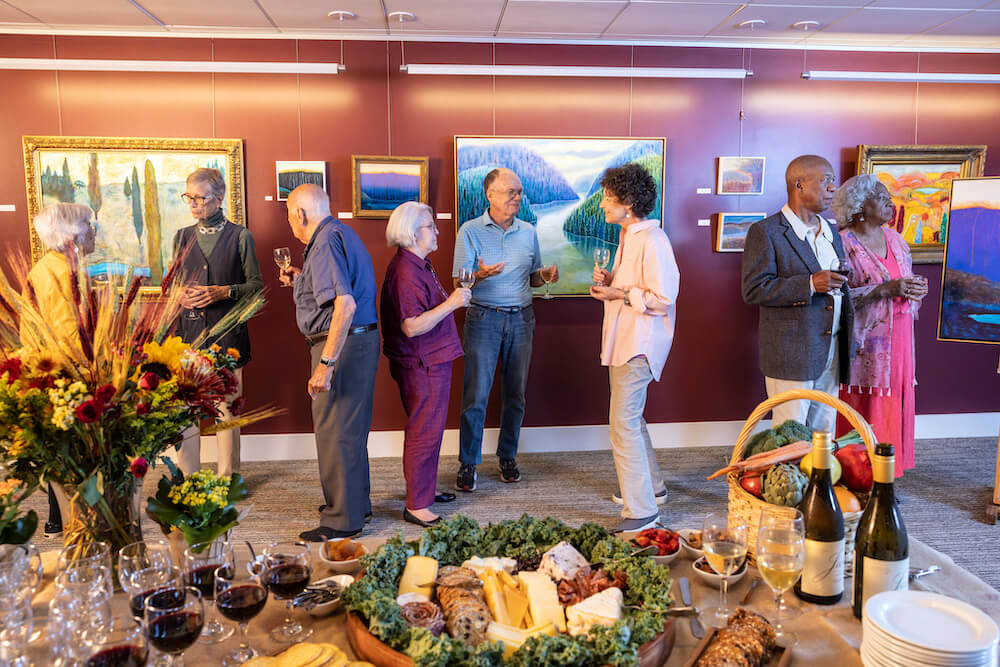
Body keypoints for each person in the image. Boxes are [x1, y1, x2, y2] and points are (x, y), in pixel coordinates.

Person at [281, 183, 378, 541]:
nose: (290, 221)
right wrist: (301, 279)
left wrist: (326, 362)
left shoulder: (322, 242)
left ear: (301, 213)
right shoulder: (340, 233)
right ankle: (354, 504)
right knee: (349, 430)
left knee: (335, 432)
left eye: (289, 214)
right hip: (359, 341)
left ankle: (343, 520)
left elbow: (345, 304)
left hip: (343, 345)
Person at [451, 167, 558, 492]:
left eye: (519, 192)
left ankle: (507, 457)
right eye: (511, 191)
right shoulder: (469, 231)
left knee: (515, 395)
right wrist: (480, 275)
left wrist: (546, 276)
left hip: (522, 319)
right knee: (476, 395)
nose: (517, 197)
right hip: (484, 319)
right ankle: (468, 463)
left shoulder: (529, 231)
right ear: (490, 195)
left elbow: (533, 278)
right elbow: (458, 283)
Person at [590, 164, 679, 533]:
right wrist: (612, 282)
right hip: (625, 340)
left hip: (638, 344)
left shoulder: (653, 240)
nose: (602, 206)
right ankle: (653, 490)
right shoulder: (630, 235)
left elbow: (664, 298)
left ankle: (642, 513)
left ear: (627, 203)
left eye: (608, 199)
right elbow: (635, 288)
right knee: (631, 419)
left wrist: (619, 293)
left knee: (622, 424)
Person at [741, 155, 854, 434]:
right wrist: (810, 284)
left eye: (833, 181)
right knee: (790, 431)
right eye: (825, 180)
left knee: (824, 429)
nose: (833, 188)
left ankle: (820, 479)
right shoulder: (766, 232)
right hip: (791, 352)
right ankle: (787, 479)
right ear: (799, 184)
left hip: (833, 347)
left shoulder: (831, 231)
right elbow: (754, 289)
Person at [381, 202, 470, 527]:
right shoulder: (407, 271)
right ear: (412, 232)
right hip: (423, 362)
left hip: (430, 359)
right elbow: (412, 325)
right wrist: (453, 303)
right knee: (424, 432)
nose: (436, 231)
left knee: (430, 431)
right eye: (430, 226)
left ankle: (425, 491)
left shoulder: (418, 264)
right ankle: (417, 504)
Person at [832, 175, 927, 476]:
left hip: (899, 336)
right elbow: (837, 297)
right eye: (882, 197)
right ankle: (859, 474)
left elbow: (903, 282)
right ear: (860, 204)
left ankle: (887, 474)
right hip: (864, 343)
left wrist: (914, 290)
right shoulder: (842, 243)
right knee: (866, 405)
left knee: (893, 402)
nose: (890, 203)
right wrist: (886, 290)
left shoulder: (896, 239)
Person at [172, 168, 263, 478]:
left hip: (229, 337)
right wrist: (179, 295)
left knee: (226, 408)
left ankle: (229, 478)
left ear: (220, 198)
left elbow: (256, 286)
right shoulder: (182, 236)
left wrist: (224, 291)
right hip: (188, 337)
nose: (195, 204)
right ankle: (189, 476)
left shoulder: (241, 236)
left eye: (201, 198)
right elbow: (171, 284)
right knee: (187, 410)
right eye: (189, 198)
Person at [22, 202, 97, 538]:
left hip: (53, 370)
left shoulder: (54, 266)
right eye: (88, 224)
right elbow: (69, 334)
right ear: (73, 234)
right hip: (65, 374)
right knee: (70, 452)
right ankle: (72, 525)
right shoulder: (58, 270)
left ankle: (61, 519)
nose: (94, 231)